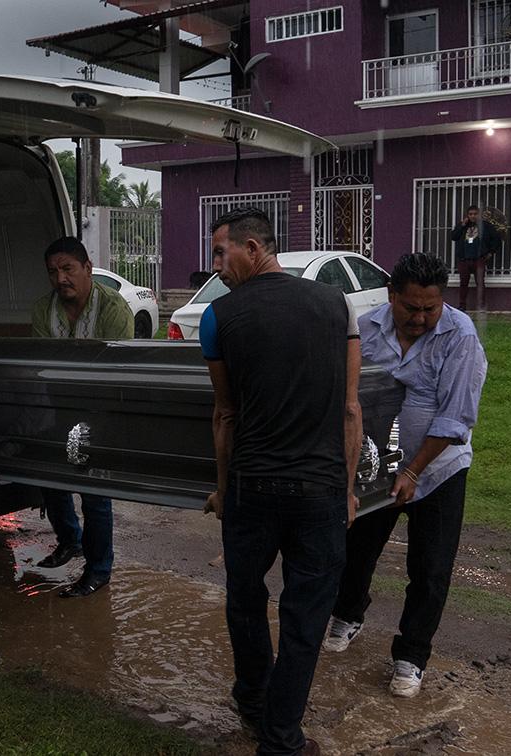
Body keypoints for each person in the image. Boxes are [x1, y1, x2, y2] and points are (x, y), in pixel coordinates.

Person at [200, 208, 362, 756]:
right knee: (305, 617)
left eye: (222, 253)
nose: (216, 266)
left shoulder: (217, 316)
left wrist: (224, 489)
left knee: (245, 599)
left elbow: (225, 414)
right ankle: (281, 737)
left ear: (253, 247)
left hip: (252, 487)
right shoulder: (336, 305)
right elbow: (348, 409)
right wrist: (345, 489)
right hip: (318, 492)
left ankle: (252, 699)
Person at [323, 253, 487, 700]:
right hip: (375, 465)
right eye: (410, 307)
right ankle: (348, 614)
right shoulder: (367, 327)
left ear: (442, 301)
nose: (420, 318)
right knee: (356, 548)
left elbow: (456, 419)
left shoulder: (460, 336)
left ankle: (411, 655)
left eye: (429, 309)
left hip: (437, 471)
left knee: (430, 568)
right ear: (391, 296)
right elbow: (347, 391)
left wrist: (414, 469)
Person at [31, 236, 133, 598]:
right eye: (53, 272)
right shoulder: (43, 309)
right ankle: (69, 541)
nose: (61, 279)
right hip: (57, 408)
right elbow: (43, 364)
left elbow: (114, 369)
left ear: (88, 269)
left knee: (94, 492)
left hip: (99, 410)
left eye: (68, 269)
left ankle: (98, 570)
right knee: (51, 480)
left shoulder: (113, 308)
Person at [449, 205, 501, 312]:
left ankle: (481, 306)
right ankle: (462, 306)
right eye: (470, 214)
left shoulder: (486, 226)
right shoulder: (463, 226)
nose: (473, 216)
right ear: (467, 215)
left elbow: (497, 239)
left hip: (479, 259)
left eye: (475, 214)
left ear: (479, 215)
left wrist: (491, 252)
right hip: (464, 259)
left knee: (480, 283)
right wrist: (462, 225)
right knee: (463, 283)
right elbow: (453, 237)